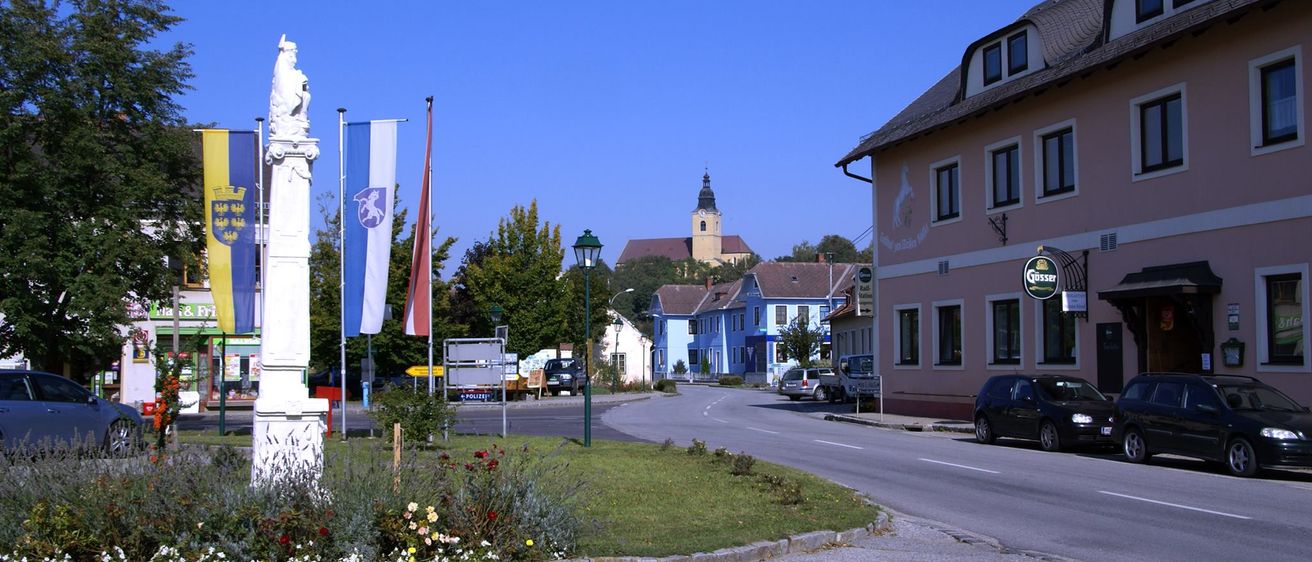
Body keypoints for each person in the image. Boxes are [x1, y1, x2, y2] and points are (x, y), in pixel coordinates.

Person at [269, 35, 310, 139]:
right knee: (303, 96)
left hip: (291, 93)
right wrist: (299, 78)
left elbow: (292, 73)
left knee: (306, 95)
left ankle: (302, 117)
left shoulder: (289, 64)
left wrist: (300, 78)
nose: (294, 55)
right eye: (293, 50)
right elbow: (284, 81)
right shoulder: (282, 62)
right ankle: (295, 118)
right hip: (285, 98)